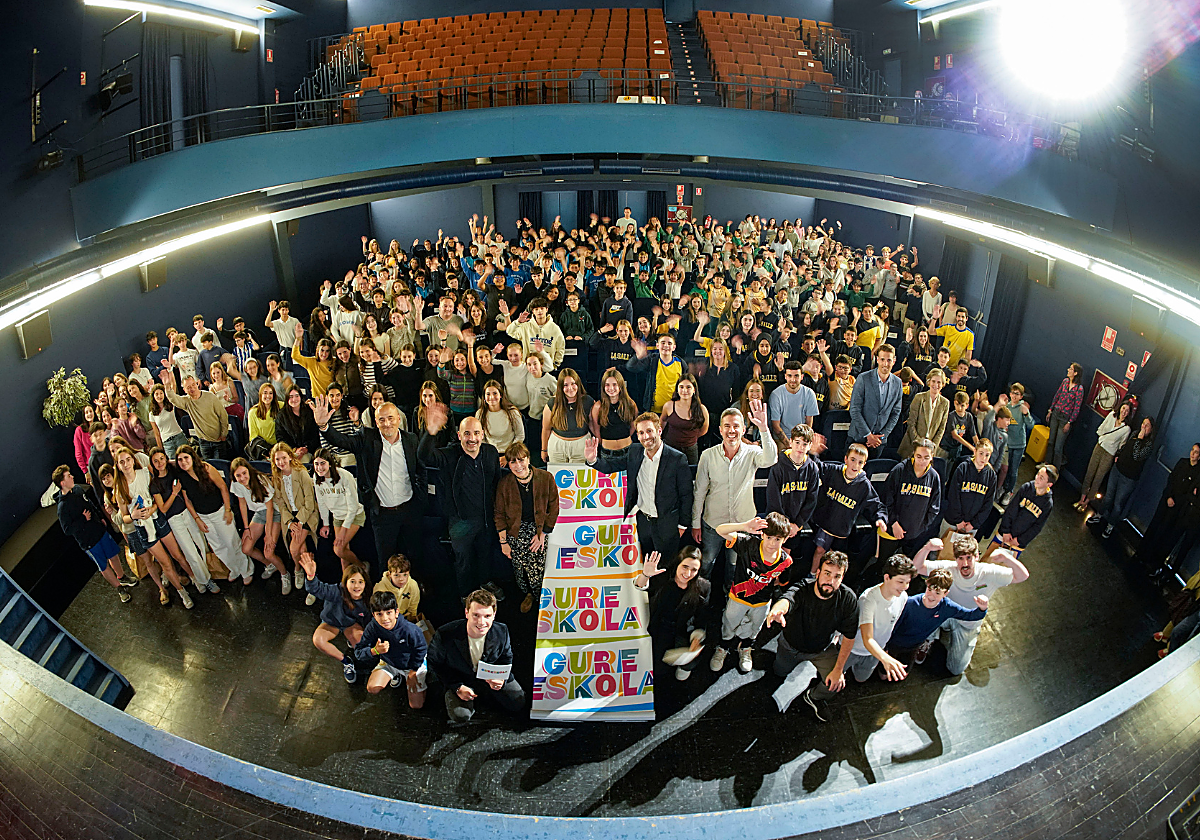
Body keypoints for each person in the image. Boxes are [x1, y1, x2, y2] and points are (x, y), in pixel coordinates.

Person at [312, 395, 425, 571]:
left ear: (398, 419)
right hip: (382, 514)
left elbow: (420, 470)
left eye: (390, 418)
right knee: (385, 561)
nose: (387, 423)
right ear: (376, 422)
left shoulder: (411, 440)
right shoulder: (366, 438)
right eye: (382, 419)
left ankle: (413, 592)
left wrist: (420, 498)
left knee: (413, 556)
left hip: (409, 511)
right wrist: (323, 426)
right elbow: (343, 441)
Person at [760, 550, 858, 720]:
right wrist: (777, 610)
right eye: (827, 574)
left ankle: (813, 697)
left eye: (837, 576)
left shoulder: (847, 599)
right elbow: (788, 599)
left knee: (835, 683)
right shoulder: (803, 588)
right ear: (818, 573)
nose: (831, 581)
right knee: (778, 673)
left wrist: (839, 669)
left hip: (823, 649)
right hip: (791, 645)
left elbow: (849, 636)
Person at [418, 405, 502, 600]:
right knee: (463, 561)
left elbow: (496, 482)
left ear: (482, 434)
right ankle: (466, 594)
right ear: (458, 435)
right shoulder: (449, 455)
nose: (471, 438)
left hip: (486, 517)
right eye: (466, 434)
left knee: (485, 555)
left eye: (475, 433)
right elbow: (423, 457)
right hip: (460, 521)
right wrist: (431, 432)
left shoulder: (491, 453)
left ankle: (485, 584)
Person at [587, 412, 693, 565]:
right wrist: (592, 460)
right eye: (641, 432)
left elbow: (686, 495)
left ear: (659, 431)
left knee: (666, 567)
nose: (646, 436)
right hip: (644, 522)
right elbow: (611, 466)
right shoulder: (634, 452)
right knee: (647, 565)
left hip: (668, 525)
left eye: (649, 431)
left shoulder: (677, 458)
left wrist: (683, 525)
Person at [914, 535, 1028, 674]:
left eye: (969, 558)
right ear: (956, 560)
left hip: (967, 622)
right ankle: (929, 638)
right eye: (960, 558)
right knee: (928, 603)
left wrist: (1007, 559)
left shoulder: (989, 572)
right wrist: (927, 548)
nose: (965, 564)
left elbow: (1022, 576)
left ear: (977, 557)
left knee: (955, 669)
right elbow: (917, 567)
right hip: (945, 614)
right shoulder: (949, 568)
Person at [691, 403, 777, 585]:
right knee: (706, 563)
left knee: (734, 565)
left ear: (744, 429)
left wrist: (763, 428)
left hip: (742, 524)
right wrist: (695, 523)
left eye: (736, 426)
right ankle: (699, 600)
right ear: (720, 430)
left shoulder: (752, 452)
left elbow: (771, 459)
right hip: (713, 523)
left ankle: (729, 602)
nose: (732, 430)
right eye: (728, 426)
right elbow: (699, 492)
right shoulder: (707, 455)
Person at [710, 513, 795, 674]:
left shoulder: (786, 561)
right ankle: (723, 647)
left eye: (777, 539)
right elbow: (720, 530)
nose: (772, 543)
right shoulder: (748, 544)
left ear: (785, 539)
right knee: (729, 625)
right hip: (738, 598)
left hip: (762, 602)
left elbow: (782, 581)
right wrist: (744, 527)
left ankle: (746, 648)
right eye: (769, 537)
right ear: (762, 534)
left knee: (755, 628)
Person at [111, 447, 195, 609]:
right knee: (165, 563)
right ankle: (181, 592)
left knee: (177, 555)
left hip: (158, 520)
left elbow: (157, 497)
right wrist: (133, 516)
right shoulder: (119, 488)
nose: (126, 464)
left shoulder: (144, 473)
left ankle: (194, 578)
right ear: (118, 466)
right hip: (143, 529)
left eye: (128, 459)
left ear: (132, 460)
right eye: (122, 462)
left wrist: (153, 509)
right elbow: (124, 518)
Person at [428, 589, 524, 723]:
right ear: (466, 613)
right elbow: (434, 664)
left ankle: (485, 695)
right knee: (460, 716)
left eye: (487, 616)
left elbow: (506, 657)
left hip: (489, 678)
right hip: (460, 679)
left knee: (518, 702)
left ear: (494, 615)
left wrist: (501, 678)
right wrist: (457, 687)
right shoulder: (446, 634)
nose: (481, 622)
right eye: (476, 615)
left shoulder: (501, 631)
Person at [52, 465, 137, 603]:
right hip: (89, 541)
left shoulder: (78, 489)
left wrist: (100, 518)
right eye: (68, 476)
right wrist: (82, 520)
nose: (72, 477)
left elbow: (90, 504)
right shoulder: (63, 507)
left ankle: (122, 577)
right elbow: (67, 529)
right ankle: (119, 588)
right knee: (103, 565)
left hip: (99, 530)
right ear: (62, 483)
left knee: (113, 554)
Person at [175, 445, 255, 585]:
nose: (183, 462)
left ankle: (246, 570)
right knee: (218, 547)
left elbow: (223, 487)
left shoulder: (206, 468)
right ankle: (234, 569)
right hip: (203, 516)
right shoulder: (182, 476)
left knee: (232, 543)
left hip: (219, 512)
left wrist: (228, 510)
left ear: (192, 457)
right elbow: (187, 500)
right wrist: (197, 519)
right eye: (180, 459)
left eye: (186, 458)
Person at [495, 441, 559, 613]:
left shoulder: (546, 478)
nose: (518, 465)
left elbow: (554, 508)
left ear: (529, 459)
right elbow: (499, 514)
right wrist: (503, 542)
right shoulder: (505, 483)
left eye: (521, 460)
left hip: (538, 530)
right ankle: (528, 594)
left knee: (536, 568)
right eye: (513, 462)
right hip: (515, 530)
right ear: (508, 464)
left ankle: (540, 597)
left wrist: (543, 534)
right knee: (519, 568)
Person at [633, 547, 712, 682]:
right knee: (657, 668)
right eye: (685, 567)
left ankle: (684, 667)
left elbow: (702, 615)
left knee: (691, 661)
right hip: (660, 626)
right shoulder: (663, 576)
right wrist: (645, 575)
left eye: (694, 570)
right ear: (678, 564)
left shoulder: (703, 586)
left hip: (683, 629)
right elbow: (640, 586)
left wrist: (696, 639)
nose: (688, 573)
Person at [809, 443, 889, 574]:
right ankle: (812, 575)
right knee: (819, 550)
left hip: (842, 528)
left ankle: (831, 580)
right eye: (853, 460)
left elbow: (876, 504)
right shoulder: (834, 471)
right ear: (846, 459)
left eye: (860, 462)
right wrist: (813, 452)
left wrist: (880, 518)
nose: (855, 465)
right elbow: (816, 466)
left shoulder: (864, 485)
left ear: (864, 464)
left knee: (835, 559)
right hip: (825, 522)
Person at [149, 448, 216, 596]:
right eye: (156, 461)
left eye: (161, 459)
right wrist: (174, 493)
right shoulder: (155, 484)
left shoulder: (175, 471)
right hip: (174, 519)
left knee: (200, 543)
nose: (160, 463)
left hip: (187, 513)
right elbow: (164, 508)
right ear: (152, 464)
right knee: (189, 550)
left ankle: (206, 573)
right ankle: (205, 580)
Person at [889, 568, 989, 665]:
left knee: (904, 671)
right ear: (926, 585)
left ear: (945, 593)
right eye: (929, 589)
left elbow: (970, 615)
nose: (931, 596)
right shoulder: (910, 603)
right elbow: (893, 624)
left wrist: (982, 608)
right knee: (884, 673)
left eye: (937, 593)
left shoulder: (947, 607)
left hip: (915, 645)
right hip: (894, 643)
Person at [297, 553, 370, 683]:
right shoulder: (336, 591)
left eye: (360, 582)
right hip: (332, 623)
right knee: (318, 640)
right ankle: (346, 662)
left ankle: (351, 642)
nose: (356, 586)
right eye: (352, 582)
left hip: (350, 624)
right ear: (345, 582)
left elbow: (368, 620)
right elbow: (317, 589)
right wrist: (311, 576)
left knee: (362, 646)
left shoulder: (366, 600)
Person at [844, 554, 915, 683]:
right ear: (887, 577)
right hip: (853, 649)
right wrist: (886, 659)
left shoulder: (903, 596)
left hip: (875, 652)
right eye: (900, 582)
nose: (905, 587)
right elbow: (867, 638)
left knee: (861, 678)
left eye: (907, 582)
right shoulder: (869, 598)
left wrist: (882, 650)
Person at [353, 590, 428, 707]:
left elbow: (421, 650)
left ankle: (420, 681)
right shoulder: (372, 627)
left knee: (416, 705)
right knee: (372, 688)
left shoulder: (411, 629)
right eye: (379, 614)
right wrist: (375, 651)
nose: (385, 618)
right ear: (373, 615)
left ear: (396, 612)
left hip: (411, 665)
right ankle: (396, 675)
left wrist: (413, 672)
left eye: (389, 612)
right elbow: (358, 652)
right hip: (389, 662)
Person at [1136, 443, 1200, 575]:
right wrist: (1169, 495)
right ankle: (1141, 552)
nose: (1192, 454)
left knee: (1163, 532)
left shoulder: (1198, 473)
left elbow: (1190, 493)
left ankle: (1149, 558)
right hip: (1167, 499)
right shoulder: (1182, 462)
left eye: (1196, 452)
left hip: (1177, 507)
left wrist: (1176, 500)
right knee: (1155, 525)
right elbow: (1172, 479)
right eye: (1192, 450)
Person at [1089, 417, 1155, 539]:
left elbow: (1136, 455)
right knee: (1108, 496)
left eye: (1147, 426)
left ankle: (1110, 525)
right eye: (1143, 424)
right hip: (1117, 470)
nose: (1143, 427)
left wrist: (1139, 440)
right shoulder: (1135, 433)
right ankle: (1099, 515)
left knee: (1118, 503)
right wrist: (1118, 455)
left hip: (1129, 478)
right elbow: (1125, 447)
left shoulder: (1148, 445)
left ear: (1151, 429)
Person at [877, 440, 942, 561]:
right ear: (913, 454)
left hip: (915, 533)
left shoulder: (934, 477)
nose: (922, 461)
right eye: (919, 456)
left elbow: (934, 507)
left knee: (907, 567)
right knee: (884, 563)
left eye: (926, 457)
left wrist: (920, 528)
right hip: (892, 529)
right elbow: (886, 499)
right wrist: (894, 523)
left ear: (932, 456)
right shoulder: (899, 470)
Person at [229, 457, 288, 587]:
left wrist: (268, 534)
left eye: (244, 473)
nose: (242, 478)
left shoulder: (261, 480)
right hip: (259, 513)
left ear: (248, 471)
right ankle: (270, 565)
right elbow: (242, 504)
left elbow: (270, 509)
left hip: (272, 512)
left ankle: (285, 574)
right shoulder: (236, 484)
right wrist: (246, 528)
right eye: (238, 475)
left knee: (269, 552)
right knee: (246, 548)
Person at [766, 423, 822, 560]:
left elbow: (812, 500)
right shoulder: (778, 465)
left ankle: (781, 581)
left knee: (785, 557)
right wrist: (784, 524)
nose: (800, 447)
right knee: (771, 554)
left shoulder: (812, 469)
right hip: (777, 521)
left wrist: (797, 524)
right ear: (790, 442)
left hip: (795, 525)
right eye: (797, 442)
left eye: (804, 444)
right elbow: (773, 498)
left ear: (809, 446)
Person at [311, 448, 365, 572]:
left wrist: (344, 530)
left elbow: (353, 506)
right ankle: (345, 581)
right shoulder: (316, 477)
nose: (319, 468)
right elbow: (322, 503)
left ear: (330, 463)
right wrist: (325, 524)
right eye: (316, 464)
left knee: (339, 549)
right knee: (343, 554)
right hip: (338, 516)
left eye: (322, 463)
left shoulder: (344, 476)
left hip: (354, 515)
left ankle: (362, 567)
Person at [1076, 400, 1134, 513]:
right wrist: (1102, 438)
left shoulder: (1126, 429)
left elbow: (1122, 445)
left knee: (1098, 478)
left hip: (1109, 454)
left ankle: (1087, 502)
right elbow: (1101, 428)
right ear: (1120, 407)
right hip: (1100, 446)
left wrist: (1116, 453)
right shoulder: (1111, 415)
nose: (1124, 412)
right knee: (1090, 472)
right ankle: (1081, 498)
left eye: (1127, 411)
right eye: (1123, 408)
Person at [159, 371, 229, 461]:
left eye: (193, 385)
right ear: (184, 390)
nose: (192, 388)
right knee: (207, 468)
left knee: (220, 466)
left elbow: (223, 416)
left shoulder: (210, 396)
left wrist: (223, 434)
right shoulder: (187, 401)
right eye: (188, 387)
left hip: (219, 440)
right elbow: (173, 398)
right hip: (203, 442)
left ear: (197, 384)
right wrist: (167, 385)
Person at [848, 343, 902, 457]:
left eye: (889, 360)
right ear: (877, 359)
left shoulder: (898, 383)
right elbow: (854, 409)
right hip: (858, 437)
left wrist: (881, 436)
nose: (885, 364)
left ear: (894, 361)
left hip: (879, 442)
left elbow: (895, 413)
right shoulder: (863, 378)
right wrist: (868, 435)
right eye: (882, 359)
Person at [942, 439, 998, 543]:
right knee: (941, 549)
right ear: (975, 451)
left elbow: (988, 503)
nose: (983, 458)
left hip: (971, 525)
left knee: (962, 553)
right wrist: (958, 520)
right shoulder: (963, 468)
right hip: (953, 520)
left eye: (987, 455)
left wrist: (974, 523)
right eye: (981, 453)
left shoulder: (991, 476)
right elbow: (953, 495)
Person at [540, 368, 596, 464]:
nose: (570, 388)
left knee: (579, 477)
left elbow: (594, 426)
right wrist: (544, 450)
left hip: (581, 445)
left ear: (578, 383)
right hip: (557, 446)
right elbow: (546, 429)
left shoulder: (588, 401)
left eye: (573, 383)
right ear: (560, 387)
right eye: (565, 385)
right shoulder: (552, 403)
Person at [897, 367, 949, 459]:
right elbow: (911, 422)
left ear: (943, 384)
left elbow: (941, 428)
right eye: (933, 381)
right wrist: (918, 444)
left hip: (930, 450)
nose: (936, 385)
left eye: (939, 382)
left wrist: (932, 446)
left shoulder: (945, 403)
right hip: (911, 446)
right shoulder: (919, 398)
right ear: (929, 382)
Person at [627, 333, 686, 413]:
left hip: (673, 410)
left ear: (674, 347)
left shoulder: (681, 363)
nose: (666, 346)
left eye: (669, 343)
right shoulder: (652, 360)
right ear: (657, 346)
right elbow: (631, 367)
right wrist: (638, 356)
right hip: (653, 410)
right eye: (663, 343)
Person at [660, 373, 709, 464]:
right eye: (681, 387)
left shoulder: (702, 409)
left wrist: (691, 438)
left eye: (688, 387)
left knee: (690, 475)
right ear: (677, 390)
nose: (684, 390)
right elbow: (662, 420)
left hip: (691, 449)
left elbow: (704, 429)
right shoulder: (669, 406)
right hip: (670, 448)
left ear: (694, 389)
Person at [767, 361, 819, 448]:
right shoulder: (776, 395)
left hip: (801, 438)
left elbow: (808, 425)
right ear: (785, 376)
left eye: (796, 376)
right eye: (790, 376)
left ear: (802, 376)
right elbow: (776, 426)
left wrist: (800, 443)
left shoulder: (809, 393)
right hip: (782, 439)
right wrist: (789, 445)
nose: (793, 380)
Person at [1043, 362, 1085, 471]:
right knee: (1051, 441)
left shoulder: (1079, 389)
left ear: (1075, 373)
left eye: (1071, 369)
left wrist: (1070, 422)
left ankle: (1054, 470)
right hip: (1056, 413)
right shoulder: (1065, 382)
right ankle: (1046, 463)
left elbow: (1077, 407)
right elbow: (1057, 395)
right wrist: (1050, 410)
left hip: (1065, 418)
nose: (1068, 370)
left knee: (1058, 447)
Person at [591, 367, 639, 457]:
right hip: (607, 453)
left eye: (614, 384)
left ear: (620, 386)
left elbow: (634, 425)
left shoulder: (630, 404)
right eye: (607, 385)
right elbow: (596, 430)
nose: (611, 388)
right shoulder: (598, 406)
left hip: (627, 451)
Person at [373, 554, 421, 623]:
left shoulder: (412, 585)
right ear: (389, 574)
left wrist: (412, 618)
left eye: (405, 575)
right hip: (387, 620)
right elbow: (379, 612)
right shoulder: (380, 588)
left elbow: (413, 607)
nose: (401, 579)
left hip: (404, 618)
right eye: (396, 575)